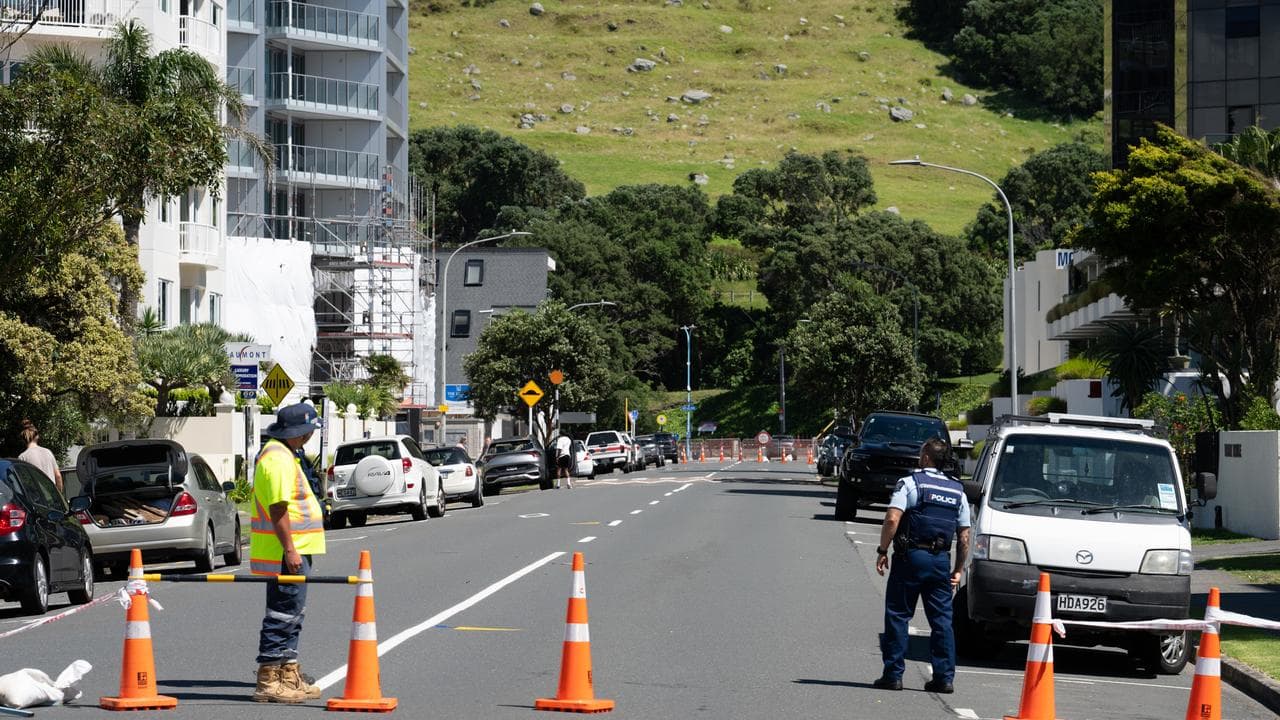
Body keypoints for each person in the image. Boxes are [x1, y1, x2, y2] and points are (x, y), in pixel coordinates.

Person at [873, 437, 971, 694]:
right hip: (940, 561)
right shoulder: (956, 490)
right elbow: (964, 536)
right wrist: (958, 569)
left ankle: (893, 675)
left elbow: (893, 518)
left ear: (926, 457)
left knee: (898, 614)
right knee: (941, 621)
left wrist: (883, 549)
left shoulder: (910, 483)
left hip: (911, 557)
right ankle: (944, 678)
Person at [250, 403, 326, 704]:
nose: (309, 436)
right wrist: (291, 549)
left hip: (292, 549)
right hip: (285, 551)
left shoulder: (283, 455)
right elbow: (278, 509)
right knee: (282, 614)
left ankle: (288, 673)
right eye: (308, 431)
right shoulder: (278, 459)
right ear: (299, 432)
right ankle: (269, 680)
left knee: (292, 613)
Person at [18, 420, 62, 495]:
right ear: (37, 436)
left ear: (23, 439)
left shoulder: (22, 457)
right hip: (52, 495)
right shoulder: (48, 452)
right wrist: (59, 495)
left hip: (38, 498)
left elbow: (23, 482)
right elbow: (58, 476)